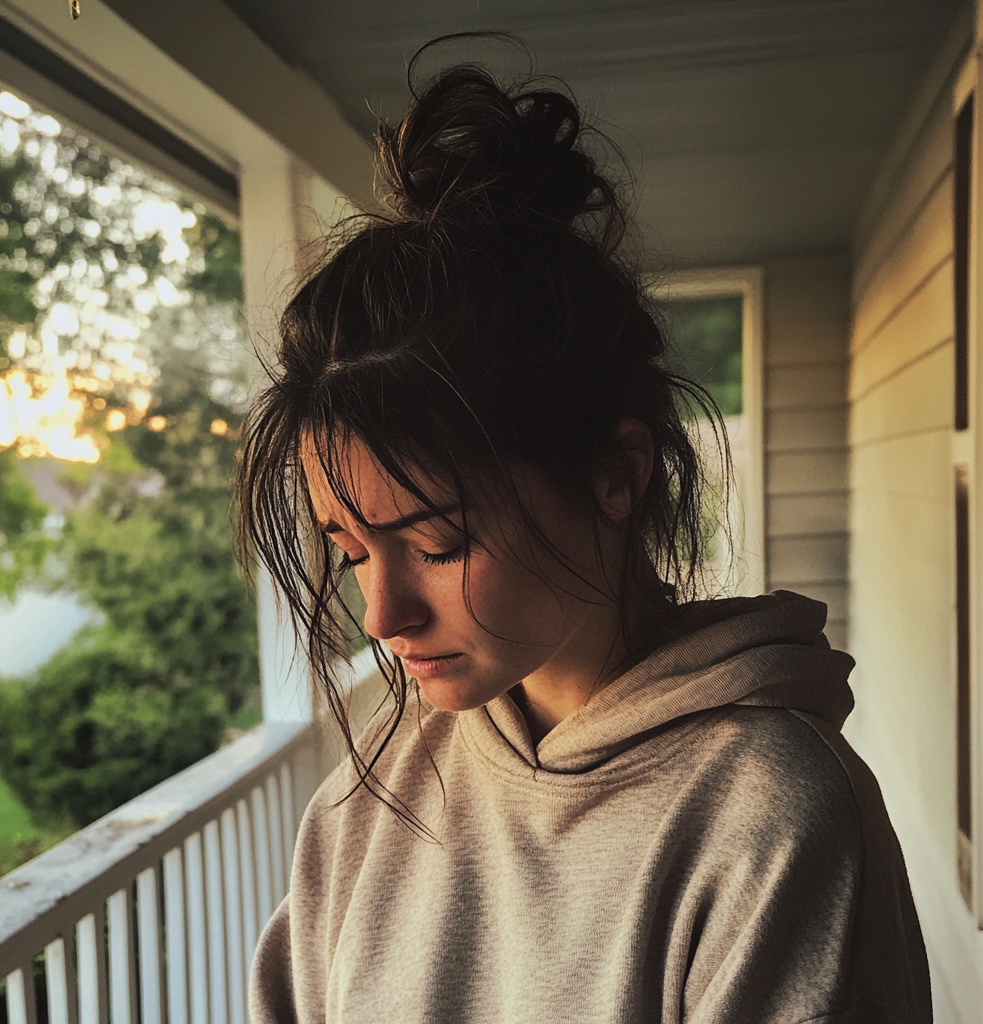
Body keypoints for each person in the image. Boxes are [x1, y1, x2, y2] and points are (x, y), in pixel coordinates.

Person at [239, 43, 931, 1024]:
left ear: (615, 476)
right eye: (351, 550)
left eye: (434, 542)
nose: (380, 613)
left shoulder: (768, 817)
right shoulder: (369, 801)